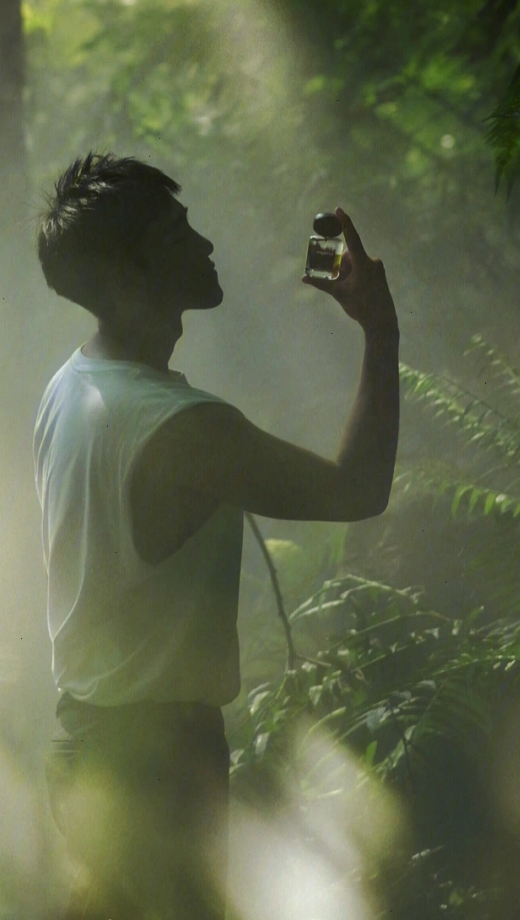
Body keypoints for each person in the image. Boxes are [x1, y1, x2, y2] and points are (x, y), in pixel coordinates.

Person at [33, 154, 400, 920]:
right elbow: (358, 488)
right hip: (158, 773)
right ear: (131, 275)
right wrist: (380, 331)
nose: (203, 242)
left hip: (87, 748)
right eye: (177, 232)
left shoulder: (70, 385)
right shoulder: (182, 428)